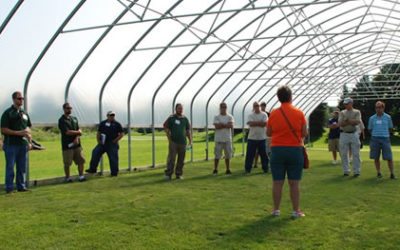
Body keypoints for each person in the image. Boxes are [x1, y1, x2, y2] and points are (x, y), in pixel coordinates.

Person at [267, 86, 308, 218]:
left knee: (277, 182)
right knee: (294, 183)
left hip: (277, 149)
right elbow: (304, 133)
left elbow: (268, 132)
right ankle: (296, 210)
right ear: (291, 97)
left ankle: (276, 210)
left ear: (278, 98)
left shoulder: (273, 113)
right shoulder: (299, 113)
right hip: (294, 149)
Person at [1, 91, 32, 193]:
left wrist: (29, 139)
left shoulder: (25, 113)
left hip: (23, 145)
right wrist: (18, 133)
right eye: (19, 98)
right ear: (14, 99)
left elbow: (28, 127)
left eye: (22, 98)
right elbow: (3, 129)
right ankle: (9, 188)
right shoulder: (7, 113)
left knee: (22, 167)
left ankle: (21, 186)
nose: (21, 100)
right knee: (10, 167)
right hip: (11, 145)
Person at [86, 111, 124, 177]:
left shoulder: (117, 124)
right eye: (110, 115)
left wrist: (115, 140)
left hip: (112, 144)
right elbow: (99, 132)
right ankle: (92, 169)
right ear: (107, 116)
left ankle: (114, 173)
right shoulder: (103, 123)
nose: (112, 116)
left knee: (113, 158)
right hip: (102, 143)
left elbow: (121, 134)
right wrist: (98, 141)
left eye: (113, 115)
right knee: (95, 152)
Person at [58, 103, 86, 182]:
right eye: (67, 108)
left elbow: (79, 129)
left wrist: (77, 137)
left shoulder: (74, 118)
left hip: (77, 145)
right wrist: (78, 133)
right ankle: (67, 178)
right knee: (67, 163)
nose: (69, 109)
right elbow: (67, 132)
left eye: (70, 108)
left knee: (81, 160)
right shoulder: (62, 120)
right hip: (67, 145)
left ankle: (81, 176)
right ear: (64, 109)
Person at [368, 101, 396, 179]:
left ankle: (392, 173)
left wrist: (385, 134)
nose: (378, 109)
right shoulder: (372, 118)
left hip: (385, 138)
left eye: (380, 107)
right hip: (375, 138)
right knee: (376, 157)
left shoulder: (388, 117)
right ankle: (378, 172)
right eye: (377, 107)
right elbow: (370, 129)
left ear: (383, 108)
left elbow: (390, 128)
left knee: (389, 157)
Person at [163, 103, 192, 180]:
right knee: (171, 159)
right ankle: (168, 174)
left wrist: (190, 141)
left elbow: (188, 130)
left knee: (181, 159)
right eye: (179, 108)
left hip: (183, 143)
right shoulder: (171, 118)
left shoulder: (185, 119)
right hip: (173, 142)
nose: (181, 110)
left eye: (181, 108)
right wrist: (169, 138)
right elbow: (165, 126)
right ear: (176, 109)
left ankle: (178, 174)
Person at [339, 97, 362, 177]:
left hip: (354, 133)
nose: (345, 105)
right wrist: (351, 121)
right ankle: (346, 171)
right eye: (345, 104)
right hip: (344, 134)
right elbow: (340, 124)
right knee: (343, 153)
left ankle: (357, 171)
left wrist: (347, 120)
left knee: (356, 153)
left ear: (351, 103)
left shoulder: (357, 112)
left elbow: (357, 122)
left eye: (347, 104)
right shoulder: (342, 112)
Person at [244, 101, 269, 174]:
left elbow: (264, 124)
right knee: (250, 155)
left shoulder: (264, 114)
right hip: (252, 138)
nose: (256, 107)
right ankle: (248, 169)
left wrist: (255, 123)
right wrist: (259, 123)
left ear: (260, 106)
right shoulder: (250, 115)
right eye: (255, 106)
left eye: (257, 106)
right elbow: (250, 124)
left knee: (264, 155)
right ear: (253, 107)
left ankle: (265, 168)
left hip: (262, 138)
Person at [212, 102, 234, 176]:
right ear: (220, 108)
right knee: (217, 155)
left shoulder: (230, 116)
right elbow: (217, 126)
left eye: (225, 107)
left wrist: (222, 124)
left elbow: (230, 125)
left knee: (228, 155)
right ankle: (215, 169)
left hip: (227, 139)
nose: (224, 109)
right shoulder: (216, 116)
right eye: (222, 107)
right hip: (218, 139)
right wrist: (225, 125)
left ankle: (228, 169)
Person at [253, 102, 270, 168]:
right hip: (258, 134)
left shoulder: (268, 114)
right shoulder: (257, 114)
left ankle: (266, 162)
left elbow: (267, 123)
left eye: (264, 106)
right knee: (257, 150)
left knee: (266, 150)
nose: (263, 107)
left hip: (266, 134)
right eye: (262, 106)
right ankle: (255, 163)